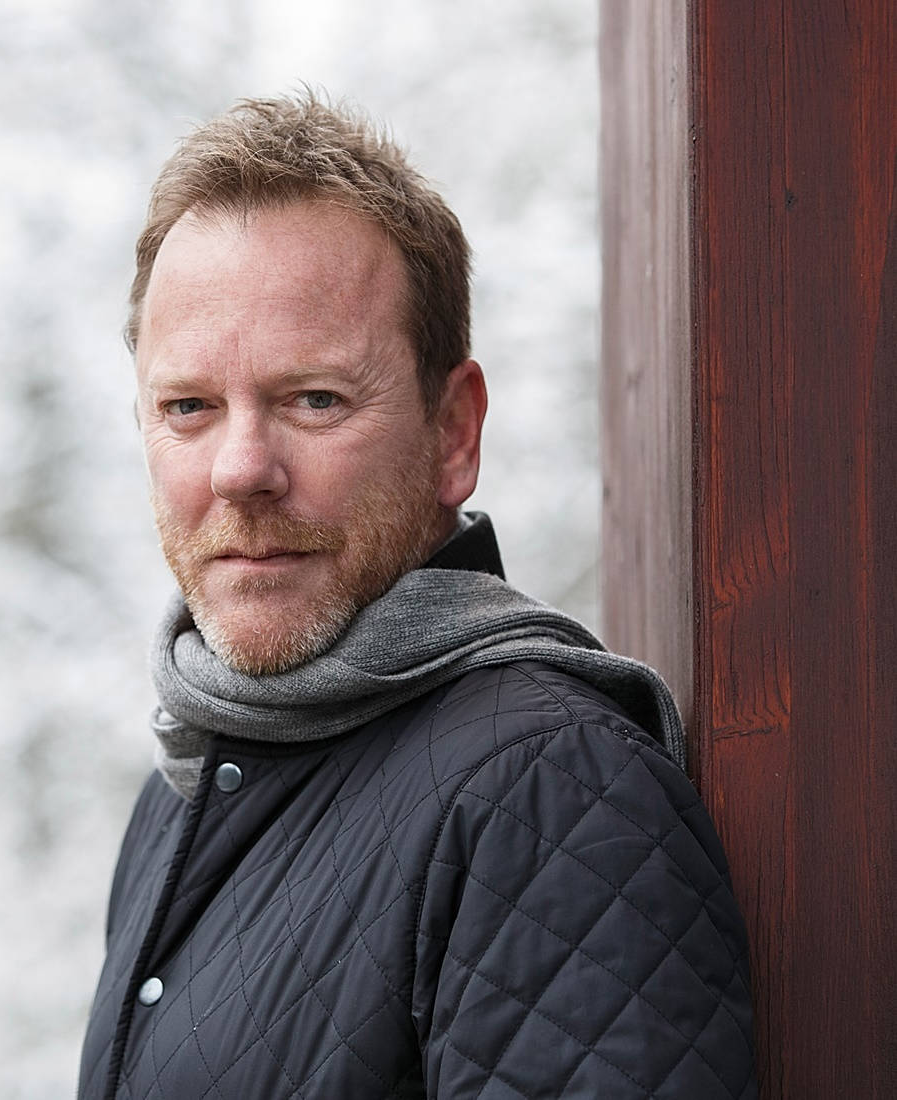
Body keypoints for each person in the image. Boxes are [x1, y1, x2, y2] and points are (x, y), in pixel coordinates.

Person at [77, 93, 756, 1099]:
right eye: (189, 407)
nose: (241, 468)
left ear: (452, 433)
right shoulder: (184, 787)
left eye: (314, 399)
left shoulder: (550, 790)